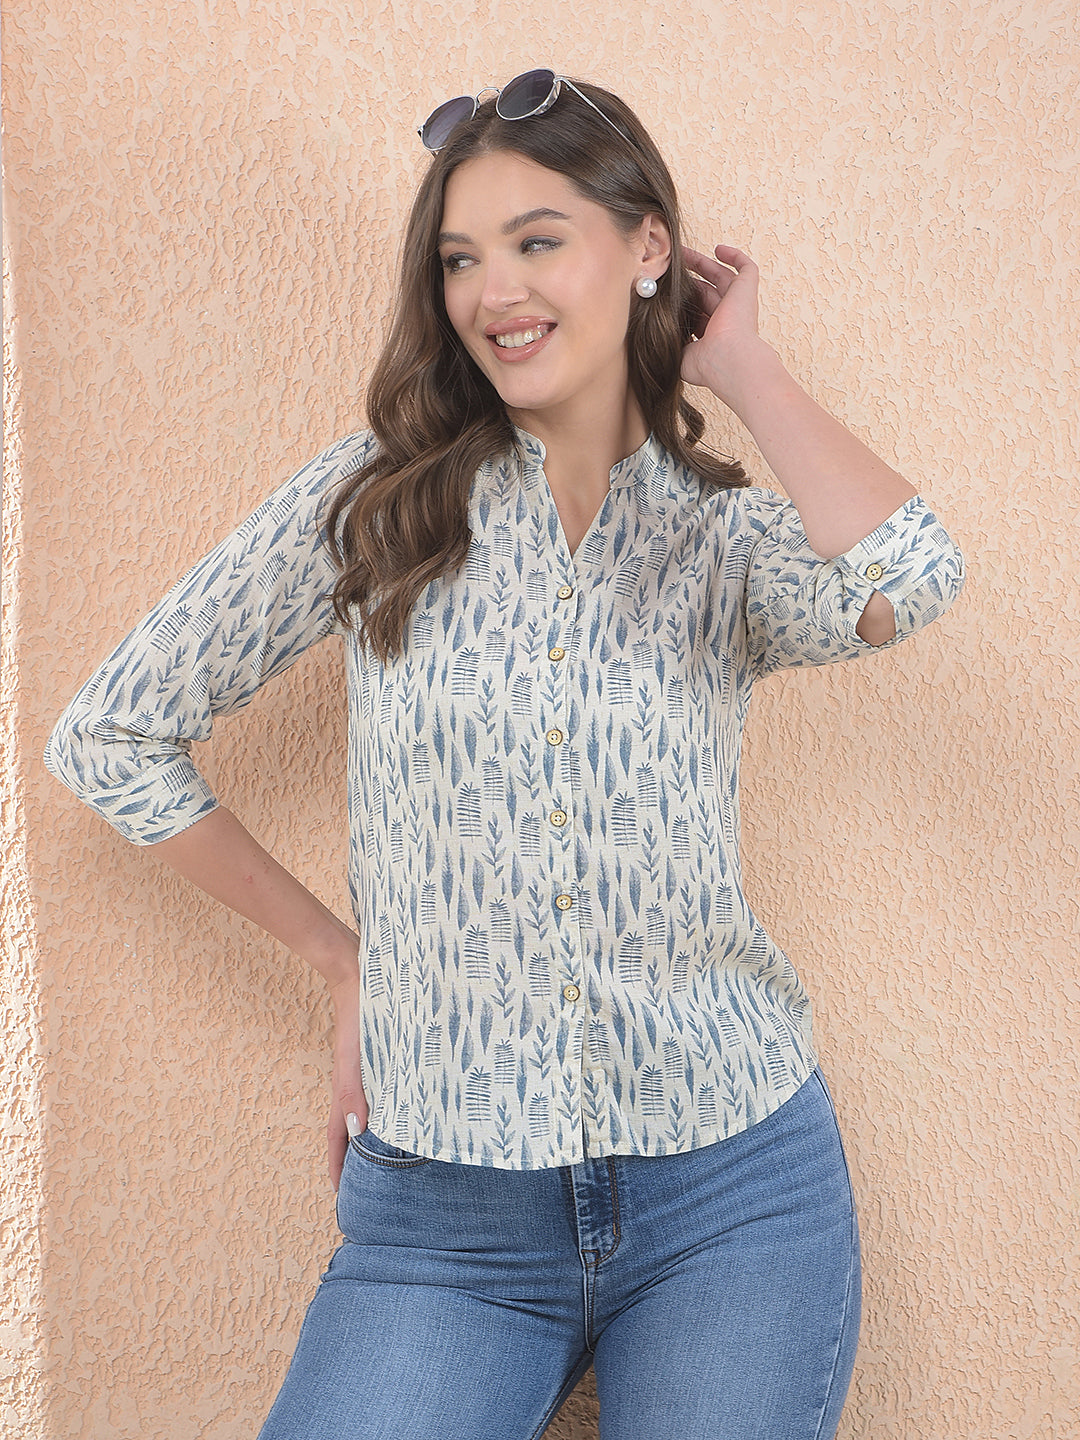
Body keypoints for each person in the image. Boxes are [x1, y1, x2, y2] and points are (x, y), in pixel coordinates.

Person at [46, 71, 964, 1440]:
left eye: (539, 240)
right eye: (462, 258)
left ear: (647, 247)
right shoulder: (377, 503)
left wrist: (744, 369)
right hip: (445, 1221)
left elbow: (916, 574)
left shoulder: (726, 541)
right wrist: (342, 960)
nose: (494, 292)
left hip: (733, 1192)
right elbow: (112, 734)